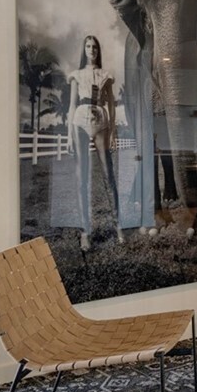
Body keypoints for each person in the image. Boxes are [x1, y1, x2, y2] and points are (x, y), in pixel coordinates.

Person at [67, 35, 123, 252]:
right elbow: (71, 106)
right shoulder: (77, 75)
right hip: (80, 120)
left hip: (100, 119)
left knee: (108, 173)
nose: (91, 50)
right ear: (84, 50)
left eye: (95, 47)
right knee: (82, 177)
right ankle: (85, 232)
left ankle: (118, 225)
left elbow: (110, 103)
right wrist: (70, 134)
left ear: (99, 50)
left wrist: (113, 132)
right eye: (88, 46)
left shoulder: (105, 75)